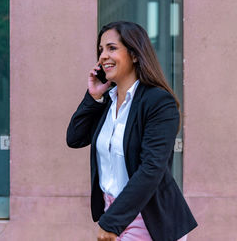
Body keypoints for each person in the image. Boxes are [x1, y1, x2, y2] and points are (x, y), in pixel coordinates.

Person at [66, 21, 197, 241]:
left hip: (149, 220)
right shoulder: (107, 101)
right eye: (101, 50)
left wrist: (112, 223)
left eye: (111, 48)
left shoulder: (158, 102)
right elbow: (75, 138)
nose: (103, 56)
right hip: (113, 215)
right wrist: (93, 96)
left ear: (135, 55)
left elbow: (151, 168)